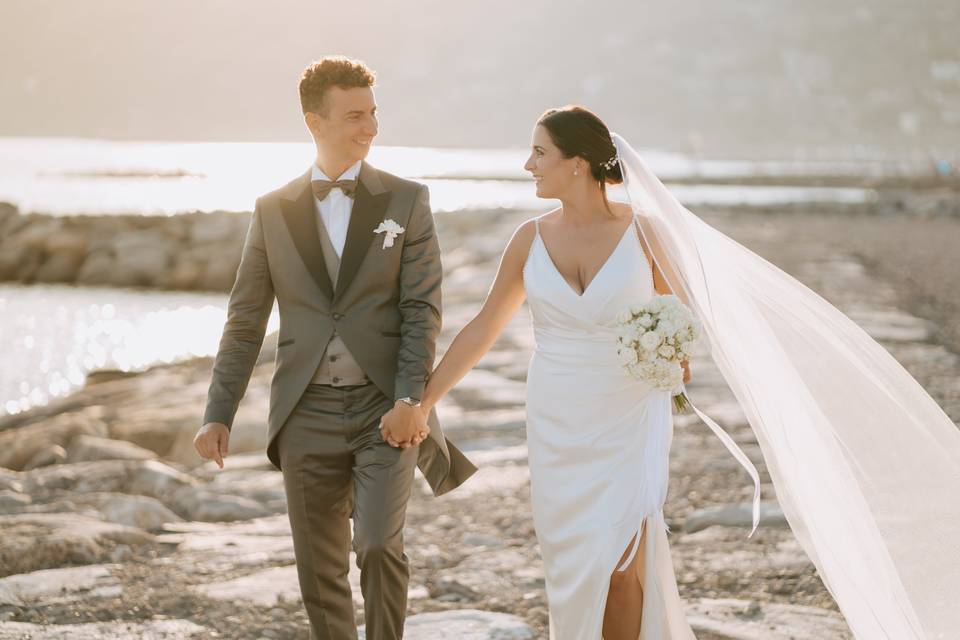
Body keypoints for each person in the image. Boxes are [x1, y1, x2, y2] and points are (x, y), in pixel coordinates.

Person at [193, 56, 476, 640]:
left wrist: (409, 399)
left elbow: (421, 310)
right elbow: (246, 320)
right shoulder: (272, 210)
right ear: (313, 121)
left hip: (386, 409)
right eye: (354, 116)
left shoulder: (407, 201)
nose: (370, 127)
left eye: (373, 113)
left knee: (377, 544)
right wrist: (217, 413)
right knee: (319, 574)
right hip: (305, 414)